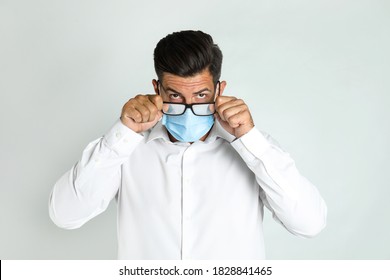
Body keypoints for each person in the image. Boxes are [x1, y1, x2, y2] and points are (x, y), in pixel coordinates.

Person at [49, 30, 327, 260]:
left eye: (201, 94)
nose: (189, 108)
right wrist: (124, 133)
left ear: (220, 90)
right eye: (175, 96)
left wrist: (249, 140)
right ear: (157, 90)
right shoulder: (127, 147)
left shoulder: (254, 148)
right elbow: (65, 214)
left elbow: (309, 223)